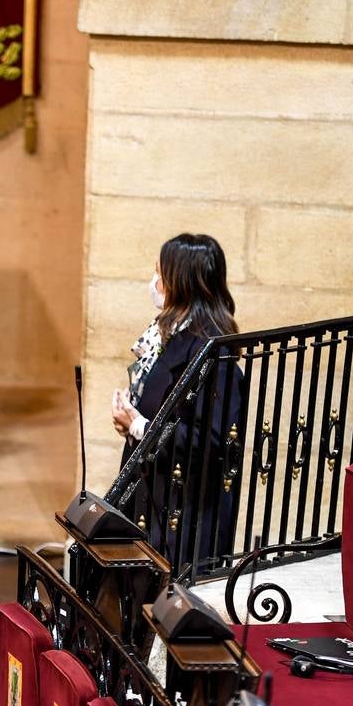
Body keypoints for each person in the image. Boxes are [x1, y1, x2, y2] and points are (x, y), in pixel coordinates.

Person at [110, 233, 244, 566]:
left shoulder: (212, 349)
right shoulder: (174, 335)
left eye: (160, 274)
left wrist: (139, 424)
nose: (154, 282)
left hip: (184, 509)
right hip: (154, 495)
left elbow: (210, 441)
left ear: (180, 281)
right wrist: (130, 418)